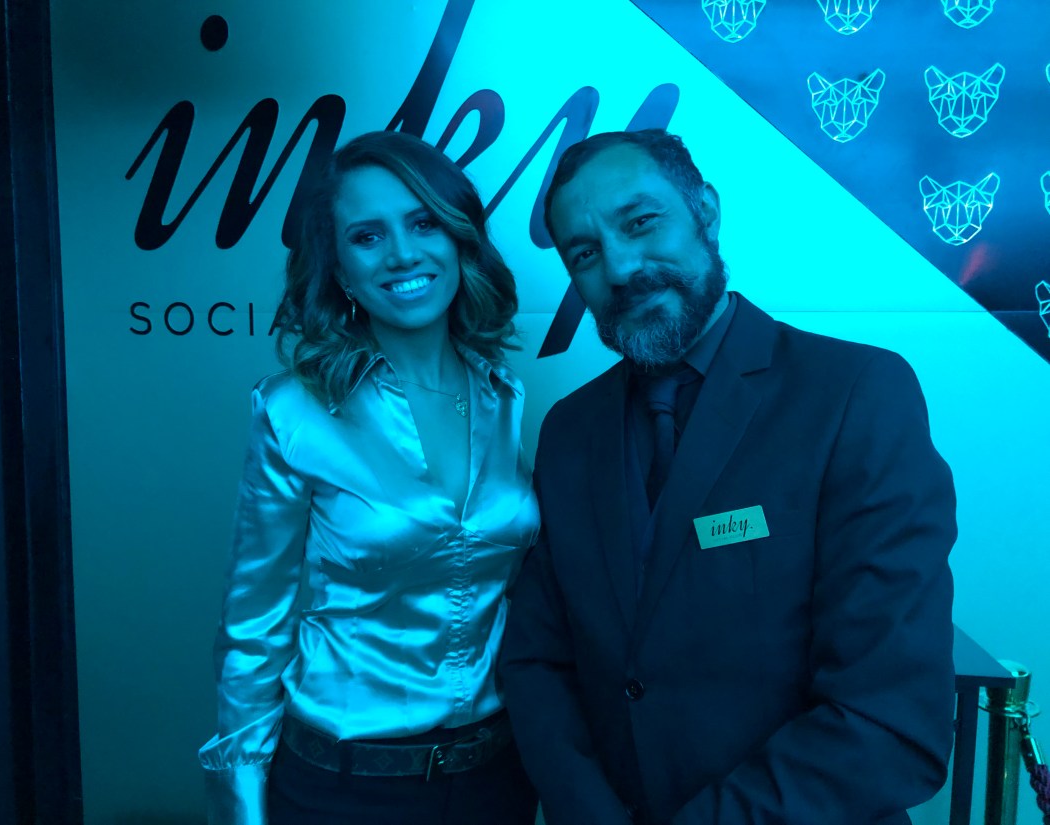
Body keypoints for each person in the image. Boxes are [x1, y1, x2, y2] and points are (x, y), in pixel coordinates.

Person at [499, 129, 957, 825]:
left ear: (705, 212)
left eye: (641, 222)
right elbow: (538, 662)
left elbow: (889, 719)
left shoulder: (854, 394)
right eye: (584, 253)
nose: (620, 267)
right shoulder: (569, 430)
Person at [199, 131, 540, 825]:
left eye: (423, 223)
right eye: (367, 236)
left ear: (458, 239)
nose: (403, 253)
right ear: (341, 269)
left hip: (494, 780)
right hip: (343, 789)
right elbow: (252, 628)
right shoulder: (293, 412)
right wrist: (241, 810)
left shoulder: (503, 396)